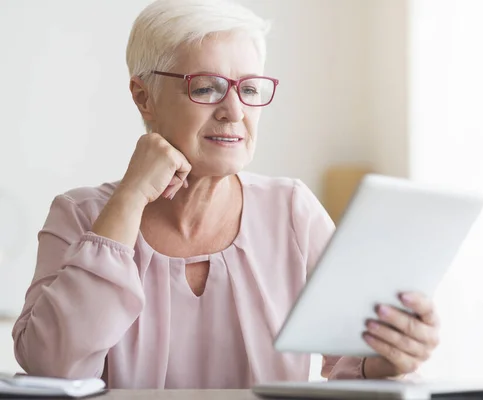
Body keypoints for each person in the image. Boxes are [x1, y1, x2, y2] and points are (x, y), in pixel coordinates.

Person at [11, 0, 440, 389]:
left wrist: (388, 357)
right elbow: (53, 368)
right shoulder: (79, 215)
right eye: (207, 86)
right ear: (144, 97)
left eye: (249, 89)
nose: (234, 111)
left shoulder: (292, 211)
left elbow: (350, 362)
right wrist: (129, 197)